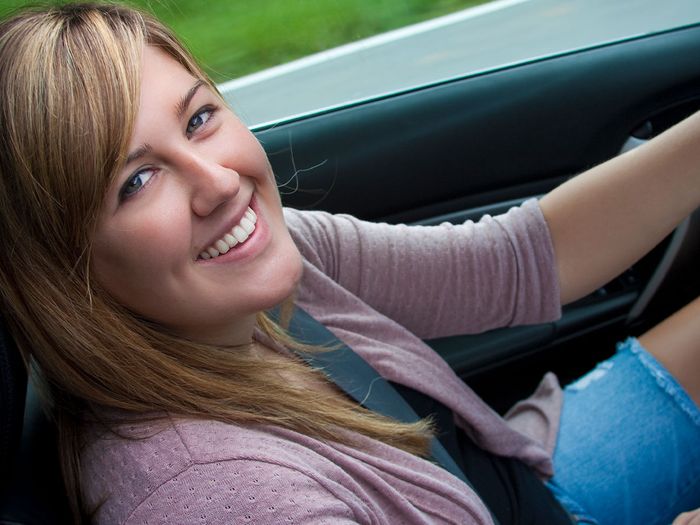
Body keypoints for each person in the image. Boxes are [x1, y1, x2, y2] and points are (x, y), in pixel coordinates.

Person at [0, 3, 698, 524]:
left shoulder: (258, 267)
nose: (216, 181)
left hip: (522, 480)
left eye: (198, 119)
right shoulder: (218, 496)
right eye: (136, 182)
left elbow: (514, 260)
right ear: (68, 273)